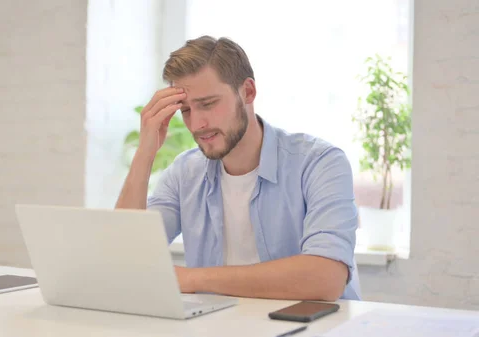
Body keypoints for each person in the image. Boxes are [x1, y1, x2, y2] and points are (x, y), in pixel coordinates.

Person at [115, 35, 361, 301]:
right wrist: (145, 153)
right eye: (185, 110)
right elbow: (122, 258)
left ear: (248, 92)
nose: (197, 123)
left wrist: (190, 279)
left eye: (208, 104)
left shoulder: (319, 163)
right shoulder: (184, 173)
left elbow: (325, 279)